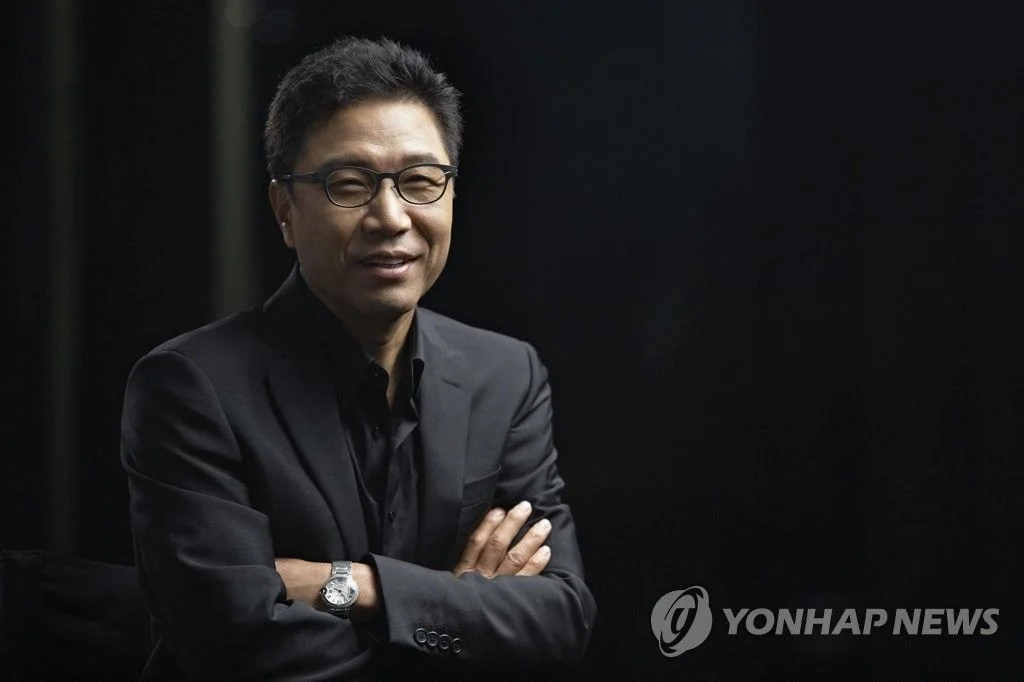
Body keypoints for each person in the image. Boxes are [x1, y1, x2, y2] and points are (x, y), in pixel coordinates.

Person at [120, 36, 596, 680]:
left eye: (421, 182)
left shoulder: (506, 375)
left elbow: (560, 618)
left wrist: (353, 586)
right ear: (285, 210)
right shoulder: (190, 387)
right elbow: (233, 645)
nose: (391, 217)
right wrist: (457, 618)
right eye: (349, 184)